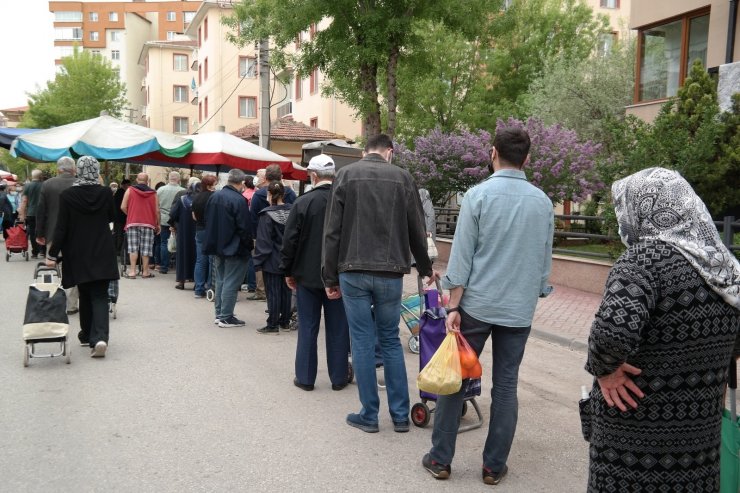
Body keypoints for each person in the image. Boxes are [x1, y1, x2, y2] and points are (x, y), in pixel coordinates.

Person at [584, 168, 740, 492]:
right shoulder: (723, 269)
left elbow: (612, 332)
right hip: (699, 455)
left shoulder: (644, 260)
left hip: (634, 453)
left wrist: (605, 370)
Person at [422, 126, 554, 485]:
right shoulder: (542, 202)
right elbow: (544, 263)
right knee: (507, 386)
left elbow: (461, 260)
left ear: (492, 152)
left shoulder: (477, 197)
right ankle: (493, 467)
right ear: (527, 158)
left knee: (455, 379)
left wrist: (452, 306)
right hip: (517, 310)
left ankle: (440, 459)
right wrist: (536, 291)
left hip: (476, 306)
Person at [323, 133, 438, 434]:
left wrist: (328, 276)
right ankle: (400, 415)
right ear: (390, 152)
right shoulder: (403, 178)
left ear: (365, 152)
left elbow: (332, 230)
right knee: (390, 340)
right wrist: (426, 268)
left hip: (352, 269)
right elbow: (417, 227)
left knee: (361, 340)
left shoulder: (345, 175)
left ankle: (369, 414)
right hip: (390, 272)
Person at [281, 154, 350, 391]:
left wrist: (287, 270)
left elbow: (289, 241)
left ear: (313, 175)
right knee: (338, 328)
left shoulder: (303, 202)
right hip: (339, 275)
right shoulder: (346, 201)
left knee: (308, 326)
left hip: (306, 275)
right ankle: (339, 377)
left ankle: (306, 377)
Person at [46, 156, 119, 357]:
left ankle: (87, 335)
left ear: (77, 170)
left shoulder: (68, 195)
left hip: (78, 251)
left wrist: (52, 254)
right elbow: (113, 217)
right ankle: (99, 337)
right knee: (99, 295)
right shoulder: (105, 193)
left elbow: (61, 227)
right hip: (102, 250)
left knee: (85, 292)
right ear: (96, 171)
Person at [204, 169, 252, 328]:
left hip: (218, 245)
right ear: (242, 182)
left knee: (221, 280)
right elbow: (244, 227)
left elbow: (207, 220)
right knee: (231, 281)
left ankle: (220, 314)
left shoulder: (215, 196)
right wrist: (248, 245)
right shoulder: (239, 200)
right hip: (234, 246)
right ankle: (225, 316)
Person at [36, 156, 80, 315]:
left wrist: (39, 233)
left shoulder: (47, 184)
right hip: (77, 234)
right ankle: (72, 305)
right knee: (74, 267)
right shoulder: (79, 183)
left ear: (58, 169)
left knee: (53, 266)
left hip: (53, 233)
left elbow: (41, 211)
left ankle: (54, 301)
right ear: (74, 169)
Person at [249, 165, 296, 301]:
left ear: (266, 178)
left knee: (265, 269)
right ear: (281, 177)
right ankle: (284, 304)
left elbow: (253, 218)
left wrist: (255, 236)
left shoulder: (258, 194)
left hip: (263, 236)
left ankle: (263, 292)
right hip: (287, 237)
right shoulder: (290, 193)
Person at [253, 181, 292, 334]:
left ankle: (273, 324)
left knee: (273, 292)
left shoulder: (266, 215)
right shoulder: (293, 211)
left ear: (269, 195)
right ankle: (285, 321)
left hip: (272, 259)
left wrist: (258, 261)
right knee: (286, 291)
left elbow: (263, 242)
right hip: (290, 258)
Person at [120, 172, 160, 278]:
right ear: (147, 181)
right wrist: (158, 224)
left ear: (137, 180)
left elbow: (123, 206)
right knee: (146, 248)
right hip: (148, 223)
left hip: (132, 222)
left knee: (133, 247)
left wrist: (131, 214)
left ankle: (132, 271)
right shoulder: (153, 193)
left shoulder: (130, 190)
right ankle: (145, 272)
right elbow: (157, 210)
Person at [168, 177, 200, 290]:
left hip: (183, 232)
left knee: (182, 255)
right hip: (199, 232)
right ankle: (198, 282)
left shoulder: (182, 199)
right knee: (198, 257)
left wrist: (172, 225)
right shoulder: (203, 199)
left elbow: (172, 214)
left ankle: (181, 282)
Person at [191, 175, 217, 299]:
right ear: (210, 185)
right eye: (215, 183)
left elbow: (194, 216)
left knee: (200, 260)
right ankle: (210, 287)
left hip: (199, 229)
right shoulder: (215, 197)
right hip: (211, 230)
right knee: (212, 260)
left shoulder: (196, 197)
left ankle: (198, 288)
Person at [156, 172, 184, 274]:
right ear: (178, 179)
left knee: (164, 243)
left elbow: (156, 206)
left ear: (168, 178)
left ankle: (164, 266)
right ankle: (178, 266)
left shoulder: (160, 190)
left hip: (163, 219)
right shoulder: (182, 191)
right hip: (177, 220)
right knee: (178, 243)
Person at [18, 170, 45, 259]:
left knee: (32, 232)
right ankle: (43, 251)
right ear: (41, 176)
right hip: (43, 213)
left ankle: (35, 252)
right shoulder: (44, 185)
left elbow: (24, 201)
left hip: (31, 213)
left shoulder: (27, 186)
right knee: (43, 231)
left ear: (32, 176)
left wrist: (22, 214)